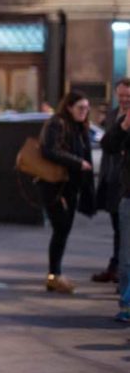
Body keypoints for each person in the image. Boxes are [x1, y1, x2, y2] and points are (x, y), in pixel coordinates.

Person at [38, 91, 96, 294]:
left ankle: (55, 275)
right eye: (80, 108)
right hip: (55, 186)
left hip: (69, 186)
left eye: (87, 108)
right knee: (61, 228)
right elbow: (49, 150)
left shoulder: (79, 127)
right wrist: (78, 162)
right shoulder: (58, 123)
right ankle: (54, 275)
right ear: (69, 107)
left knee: (63, 230)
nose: (84, 112)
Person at [93, 79, 130, 283]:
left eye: (128, 96)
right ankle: (116, 268)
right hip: (114, 178)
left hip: (126, 181)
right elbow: (108, 144)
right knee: (118, 228)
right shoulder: (112, 115)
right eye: (121, 95)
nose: (124, 100)